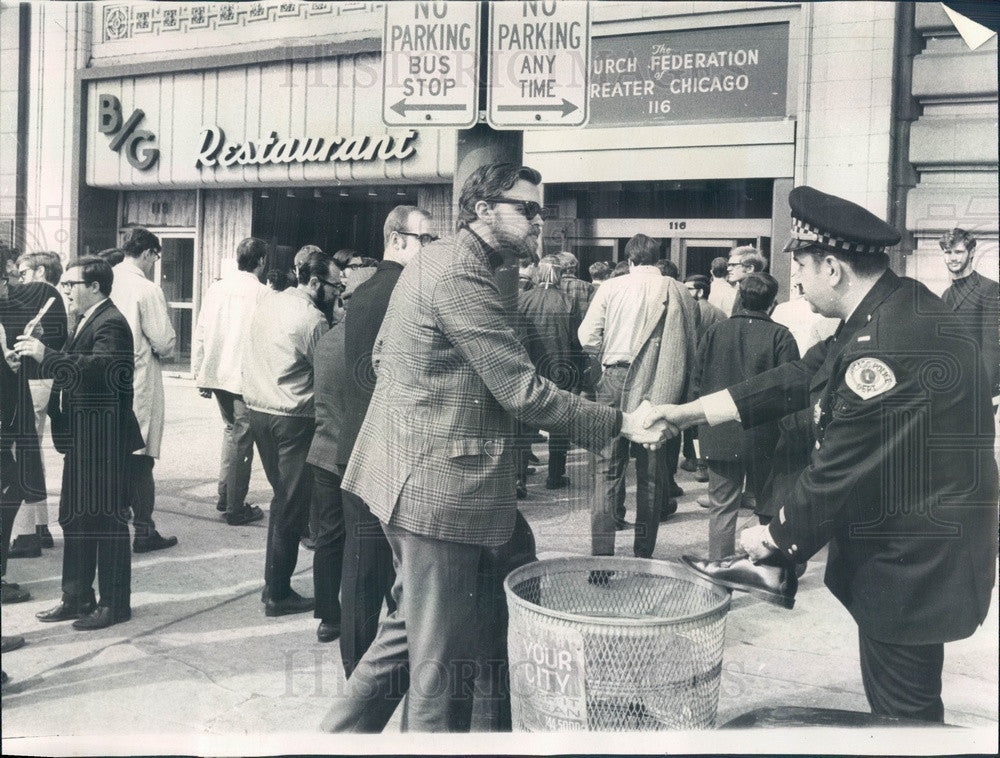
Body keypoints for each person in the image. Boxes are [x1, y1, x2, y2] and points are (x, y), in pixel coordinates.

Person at [322, 163, 662, 734]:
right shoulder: (460, 272)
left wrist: (439, 407)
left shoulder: (435, 258)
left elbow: (384, 357)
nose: (539, 222)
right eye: (526, 209)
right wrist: (622, 423)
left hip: (419, 480)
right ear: (482, 210)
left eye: (540, 211)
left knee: (415, 632)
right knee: (438, 669)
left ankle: (333, 741)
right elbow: (522, 390)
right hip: (439, 495)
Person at [646, 186, 998, 722]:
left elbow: (839, 468)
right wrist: (688, 412)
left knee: (905, 718)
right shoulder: (894, 306)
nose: (799, 284)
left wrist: (772, 539)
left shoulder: (885, 348)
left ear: (832, 267)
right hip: (922, 549)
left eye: (803, 268)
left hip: (913, 566)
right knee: (906, 705)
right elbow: (798, 377)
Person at [308, 205, 432, 658]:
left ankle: (358, 675)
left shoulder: (365, 293)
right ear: (397, 239)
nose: (430, 249)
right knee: (391, 577)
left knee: (362, 577)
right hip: (390, 455)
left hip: (358, 448)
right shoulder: (405, 290)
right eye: (425, 240)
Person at [15, 256, 144, 630]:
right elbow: (75, 363)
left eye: (72, 284)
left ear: (95, 287)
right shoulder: (88, 318)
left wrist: (47, 355)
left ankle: (115, 604)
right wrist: (29, 357)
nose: (66, 290)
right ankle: (76, 596)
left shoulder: (112, 323)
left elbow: (100, 370)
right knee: (75, 518)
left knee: (106, 522)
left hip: (104, 440)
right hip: (83, 438)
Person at [578, 233, 696, 559]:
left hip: (614, 376)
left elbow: (586, 337)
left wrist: (604, 352)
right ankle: (643, 553)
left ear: (629, 260)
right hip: (659, 379)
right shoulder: (679, 290)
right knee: (651, 474)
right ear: (658, 258)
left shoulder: (611, 288)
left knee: (605, 469)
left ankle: (602, 558)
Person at [243, 251, 338, 617]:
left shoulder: (270, 301)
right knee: (290, 506)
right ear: (314, 284)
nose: (337, 293)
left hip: (259, 411)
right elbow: (327, 371)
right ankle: (278, 592)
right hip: (293, 417)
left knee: (283, 499)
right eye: (334, 287)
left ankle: (275, 585)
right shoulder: (312, 319)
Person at [690, 272, 799, 558]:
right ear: (772, 302)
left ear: (740, 296)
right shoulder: (781, 335)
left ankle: (720, 568)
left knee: (722, 506)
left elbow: (697, 382)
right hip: (765, 434)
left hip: (720, 430)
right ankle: (767, 565)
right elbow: (790, 390)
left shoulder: (715, 332)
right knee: (769, 506)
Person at [191, 237, 268, 526]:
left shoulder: (216, 288)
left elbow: (201, 329)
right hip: (242, 375)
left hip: (217, 372)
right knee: (242, 438)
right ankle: (235, 507)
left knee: (231, 432)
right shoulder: (262, 293)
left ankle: (225, 497)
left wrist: (199, 371)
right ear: (261, 261)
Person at [111, 227, 179, 554]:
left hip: (107, 382)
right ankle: (144, 529)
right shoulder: (146, 289)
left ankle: (116, 518)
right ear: (149, 253)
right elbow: (164, 342)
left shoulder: (105, 279)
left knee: (114, 457)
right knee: (141, 459)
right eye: (155, 257)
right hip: (138, 381)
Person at [7, 251, 67, 558]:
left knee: (20, 456)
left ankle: (26, 533)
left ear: (40, 271)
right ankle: (40, 526)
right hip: (40, 380)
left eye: (23, 273)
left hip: (32, 380)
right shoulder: (53, 295)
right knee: (31, 455)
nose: (19, 280)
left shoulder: (45, 292)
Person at [517, 258, 574, 490]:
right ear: (560, 275)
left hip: (530, 365)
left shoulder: (523, 299)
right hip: (560, 365)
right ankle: (555, 474)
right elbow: (576, 337)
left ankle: (519, 477)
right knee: (560, 422)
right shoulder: (567, 300)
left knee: (524, 421)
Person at [939, 228, 999, 402]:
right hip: (951, 388)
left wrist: (982, 392)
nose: (952, 258)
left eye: (958, 252)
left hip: (977, 389)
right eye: (947, 252)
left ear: (972, 252)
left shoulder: (989, 289)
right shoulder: (945, 294)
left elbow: (992, 348)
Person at [679, 274, 727, 481]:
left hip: (694, 369)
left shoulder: (691, 311)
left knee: (692, 417)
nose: (685, 292)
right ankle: (705, 462)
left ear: (700, 291)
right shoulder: (721, 313)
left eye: (689, 289)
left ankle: (694, 459)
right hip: (715, 370)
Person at [724, 246, 767, 315]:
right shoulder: (743, 290)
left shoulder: (756, 294)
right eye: (728, 265)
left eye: (733, 265)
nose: (728, 269)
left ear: (750, 268)